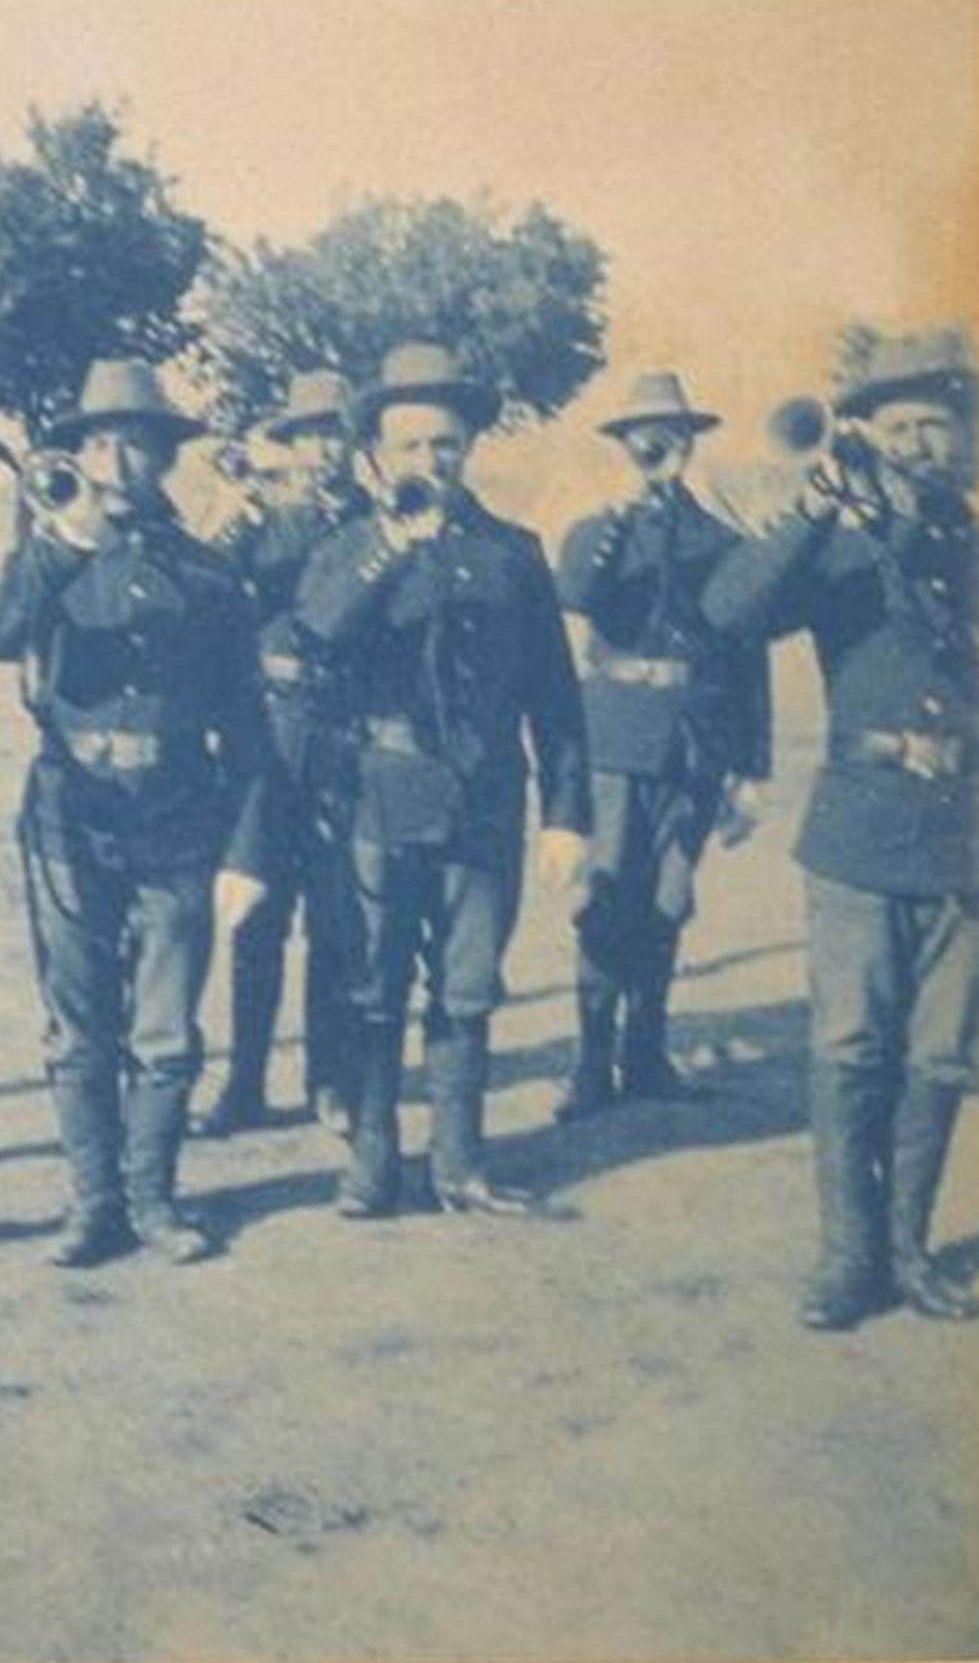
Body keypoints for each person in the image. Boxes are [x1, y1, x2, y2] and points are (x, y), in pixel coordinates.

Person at [701, 329, 979, 1331]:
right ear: (864, 433)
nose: (921, 443)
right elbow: (729, 608)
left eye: (935, 426)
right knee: (852, 1042)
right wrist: (816, 508)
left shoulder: (969, 536)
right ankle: (846, 1257)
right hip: (861, 825)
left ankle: (911, 1251)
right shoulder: (835, 539)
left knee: (941, 1051)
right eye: (900, 426)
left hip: (963, 827)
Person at [293, 342, 591, 1219]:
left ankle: (459, 1163)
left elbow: (555, 695)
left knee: (467, 986)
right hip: (381, 798)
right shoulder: (345, 550)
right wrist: (390, 544)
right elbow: (318, 635)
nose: (432, 462)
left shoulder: (513, 551)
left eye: (447, 445)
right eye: (412, 446)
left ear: (469, 450)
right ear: (376, 457)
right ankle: (375, 1160)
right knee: (373, 984)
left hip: (484, 801)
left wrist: (567, 815)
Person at [0, 358, 270, 1265]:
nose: (117, 462)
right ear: (77, 450)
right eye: (101, 442)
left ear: (165, 461)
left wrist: (246, 848)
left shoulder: (209, 571)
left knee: (164, 1028)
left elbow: (245, 721)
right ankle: (94, 1204)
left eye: (138, 445)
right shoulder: (43, 557)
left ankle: (155, 1200)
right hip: (70, 816)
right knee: (77, 1026)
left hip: (179, 814)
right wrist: (58, 538)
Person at [553, 372, 770, 1123]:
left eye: (671, 436)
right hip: (614, 735)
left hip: (696, 740)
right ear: (622, 446)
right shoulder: (599, 530)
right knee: (605, 891)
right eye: (642, 437)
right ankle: (589, 1061)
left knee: (669, 899)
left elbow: (748, 654)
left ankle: (643, 1053)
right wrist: (628, 511)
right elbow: (578, 592)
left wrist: (753, 768)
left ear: (691, 441)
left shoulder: (723, 537)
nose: (656, 447)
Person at [196, 368, 365, 1139]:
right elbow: (210, 591)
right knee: (254, 915)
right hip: (266, 736)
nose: (321, 450)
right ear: (289, 445)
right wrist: (245, 511)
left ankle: (329, 1077)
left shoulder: (381, 515)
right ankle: (245, 1080)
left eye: (334, 434)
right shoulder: (259, 523)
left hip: (343, 736)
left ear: (353, 441)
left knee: (336, 920)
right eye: (307, 436)